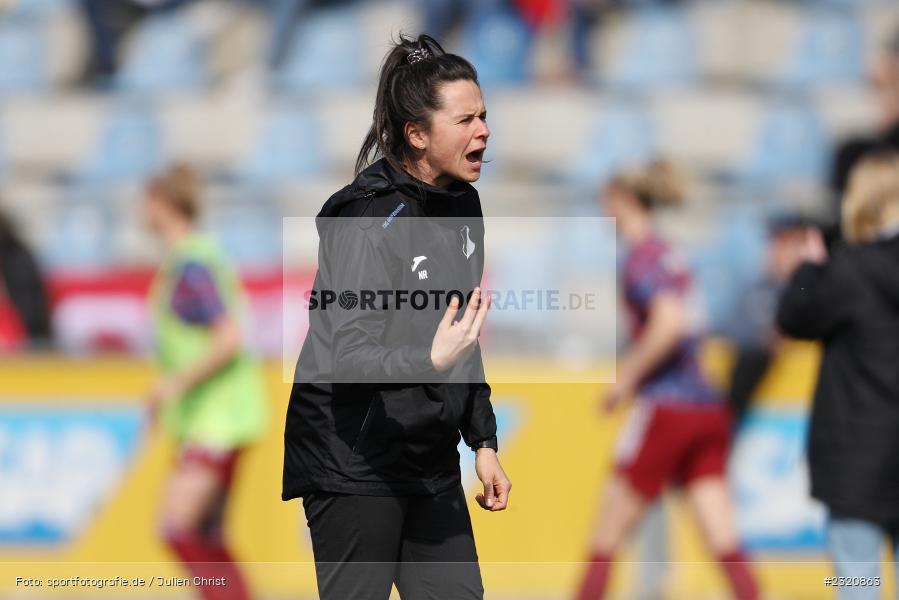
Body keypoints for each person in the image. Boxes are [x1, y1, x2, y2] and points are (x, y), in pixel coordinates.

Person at [281, 33, 511, 600]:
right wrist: (429, 359)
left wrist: (482, 441)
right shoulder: (366, 220)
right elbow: (347, 352)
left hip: (427, 454)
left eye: (483, 116)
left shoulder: (463, 204)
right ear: (417, 134)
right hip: (351, 458)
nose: (483, 130)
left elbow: (460, 333)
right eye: (465, 120)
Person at [575, 159, 759, 600]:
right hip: (706, 407)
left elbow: (669, 322)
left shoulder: (641, 257)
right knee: (721, 535)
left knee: (607, 532)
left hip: (667, 407)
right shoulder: (669, 252)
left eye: (606, 201)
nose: (602, 211)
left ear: (624, 200)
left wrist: (627, 378)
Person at [777, 152, 899, 600]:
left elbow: (793, 318)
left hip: (857, 461)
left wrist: (808, 269)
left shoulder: (850, 270)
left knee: (856, 583)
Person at [142, 164, 267, 600]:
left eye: (147, 200)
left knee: (177, 525)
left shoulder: (192, 264)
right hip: (213, 417)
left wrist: (173, 384)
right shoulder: (190, 259)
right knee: (205, 533)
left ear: (164, 203)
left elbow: (227, 338)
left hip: (219, 418)